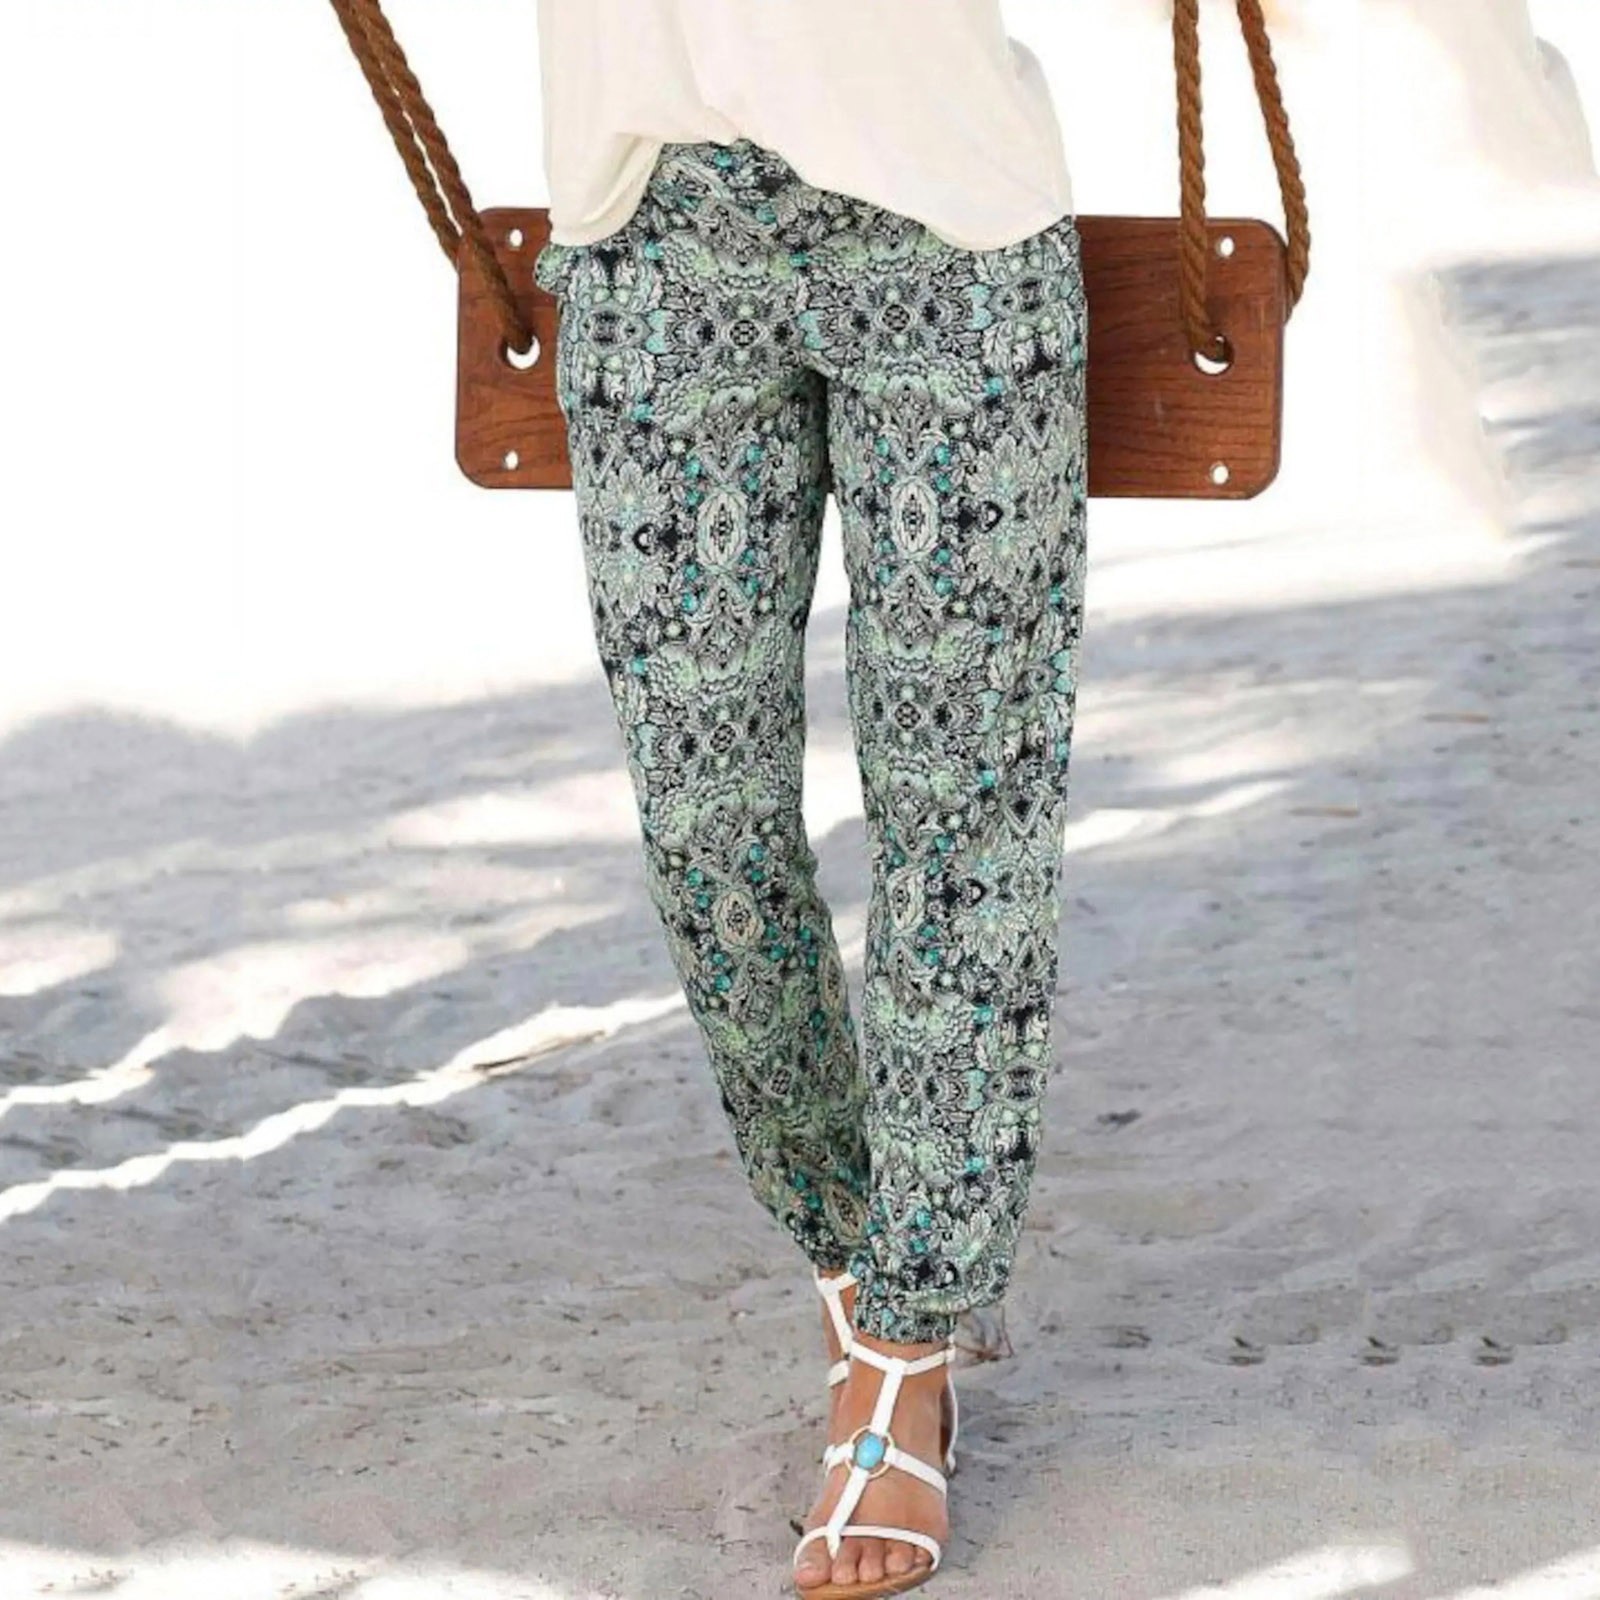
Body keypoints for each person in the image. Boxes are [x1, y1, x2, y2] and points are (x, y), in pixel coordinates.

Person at [532, 2, 1088, 1593]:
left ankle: (905, 1352)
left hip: (944, 221)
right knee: (701, 825)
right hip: (649, 229)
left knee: (957, 827)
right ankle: (856, 1261)